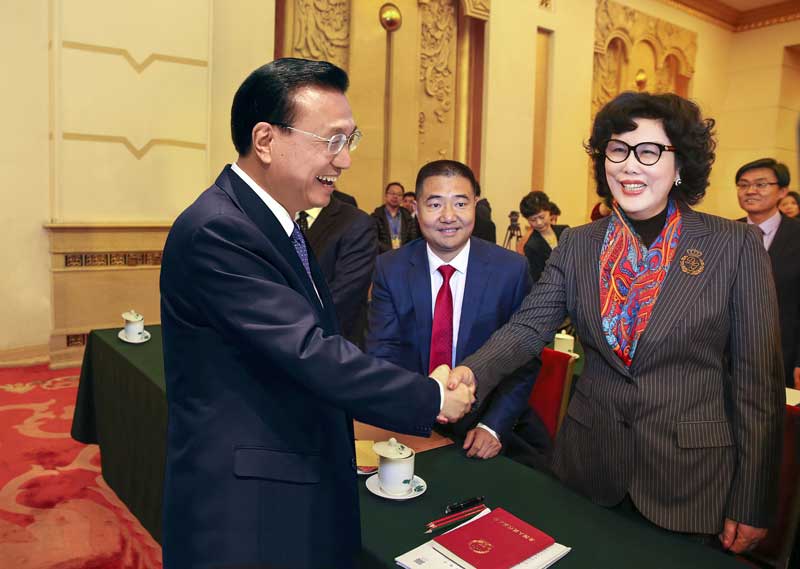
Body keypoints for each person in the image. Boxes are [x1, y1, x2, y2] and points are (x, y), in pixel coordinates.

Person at [159, 58, 474, 569]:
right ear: (266, 140)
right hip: (249, 507)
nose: (344, 160)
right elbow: (310, 352)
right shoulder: (219, 230)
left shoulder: (275, 222)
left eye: (350, 140)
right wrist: (432, 395)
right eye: (332, 141)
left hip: (295, 470)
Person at [448, 91, 784, 553]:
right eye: (618, 150)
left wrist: (752, 500)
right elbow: (527, 328)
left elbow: (757, 384)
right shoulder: (579, 244)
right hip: (589, 466)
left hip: (688, 481)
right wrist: (471, 372)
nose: (629, 165)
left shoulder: (734, 245)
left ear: (681, 164)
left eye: (649, 152)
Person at [367, 160, 550, 465]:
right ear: (416, 209)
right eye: (435, 204)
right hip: (410, 420)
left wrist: (493, 426)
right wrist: (414, 409)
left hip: (484, 423)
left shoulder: (510, 270)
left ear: (475, 204)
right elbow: (382, 354)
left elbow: (524, 359)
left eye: (461, 203)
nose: (448, 216)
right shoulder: (391, 268)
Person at [735, 158, 800, 388]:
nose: (750, 191)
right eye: (743, 185)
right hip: (732, 358)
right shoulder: (724, 234)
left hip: (785, 356)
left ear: (782, 191)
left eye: (761, 184)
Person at [301, 196, 377, 348]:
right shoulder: (276, 215)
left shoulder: (356, 222)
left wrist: (291, 322)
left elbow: (345, 292)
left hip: (330, 341)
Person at [519, 191, 569, 282]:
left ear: (549, 212)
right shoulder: (531, 246)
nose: (539, 223)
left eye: (542, 217)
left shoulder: (565, 231)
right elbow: (537, 278)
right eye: (533, 220)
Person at [372, 181, 418, 252]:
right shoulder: (376, 216)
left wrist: (402, 252)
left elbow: (413, 238)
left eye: (399, 194)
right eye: (392, 193)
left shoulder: (408, 217)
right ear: (386, 195)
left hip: (403, 255)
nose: (395, 197)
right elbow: (373, 239)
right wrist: (391, 252)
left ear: (402, 198)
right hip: (383, 255)